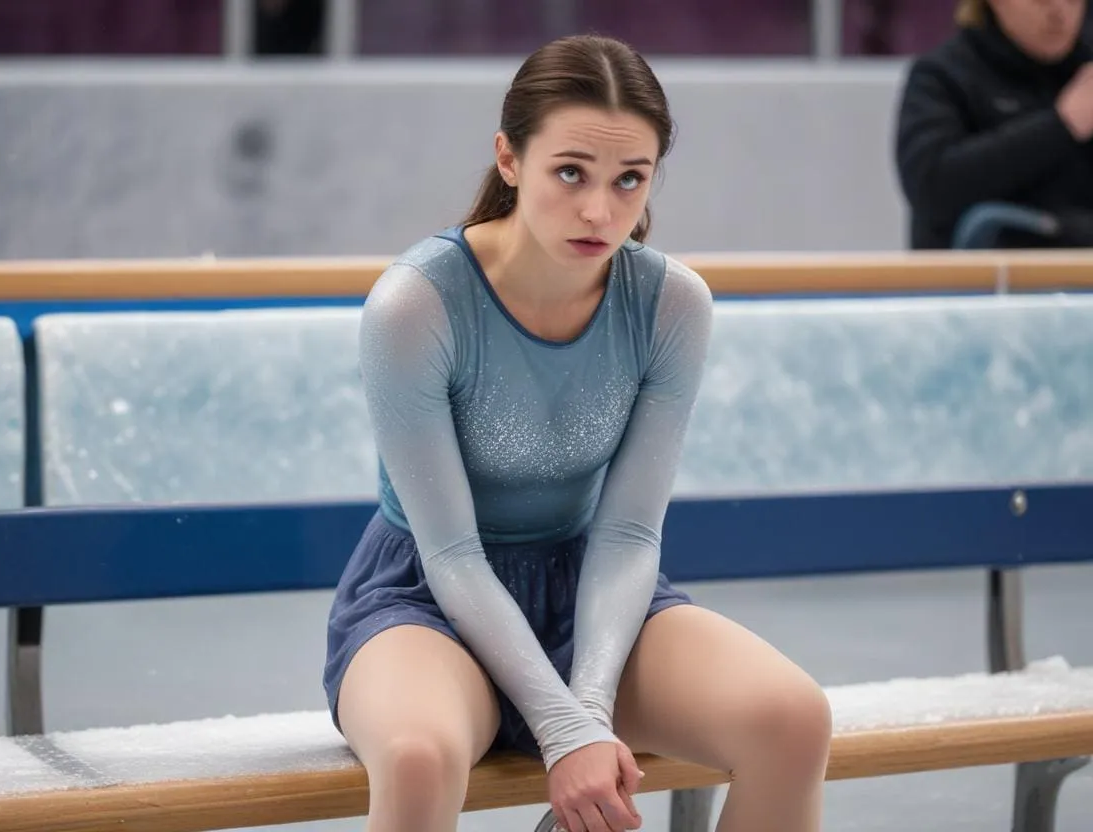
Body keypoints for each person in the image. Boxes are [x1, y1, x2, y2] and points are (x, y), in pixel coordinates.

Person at [323, 34, 833, 832]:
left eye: (629, 180)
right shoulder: (415, 305)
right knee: (420, 758)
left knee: (794, 720)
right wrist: (564, 731)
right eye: (571, 173)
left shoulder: (672, 304)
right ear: (509, 158)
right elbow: (451, 552)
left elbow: (628, 532)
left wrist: (587, 713)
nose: (601, 210)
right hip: (428, 600)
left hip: (593, 594)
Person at [895, 0, 1093, 249]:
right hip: (972, 282)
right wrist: (1061, 125)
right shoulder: (942, 76)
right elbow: (931, 188)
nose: (1059, 11)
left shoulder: (1085, 69)